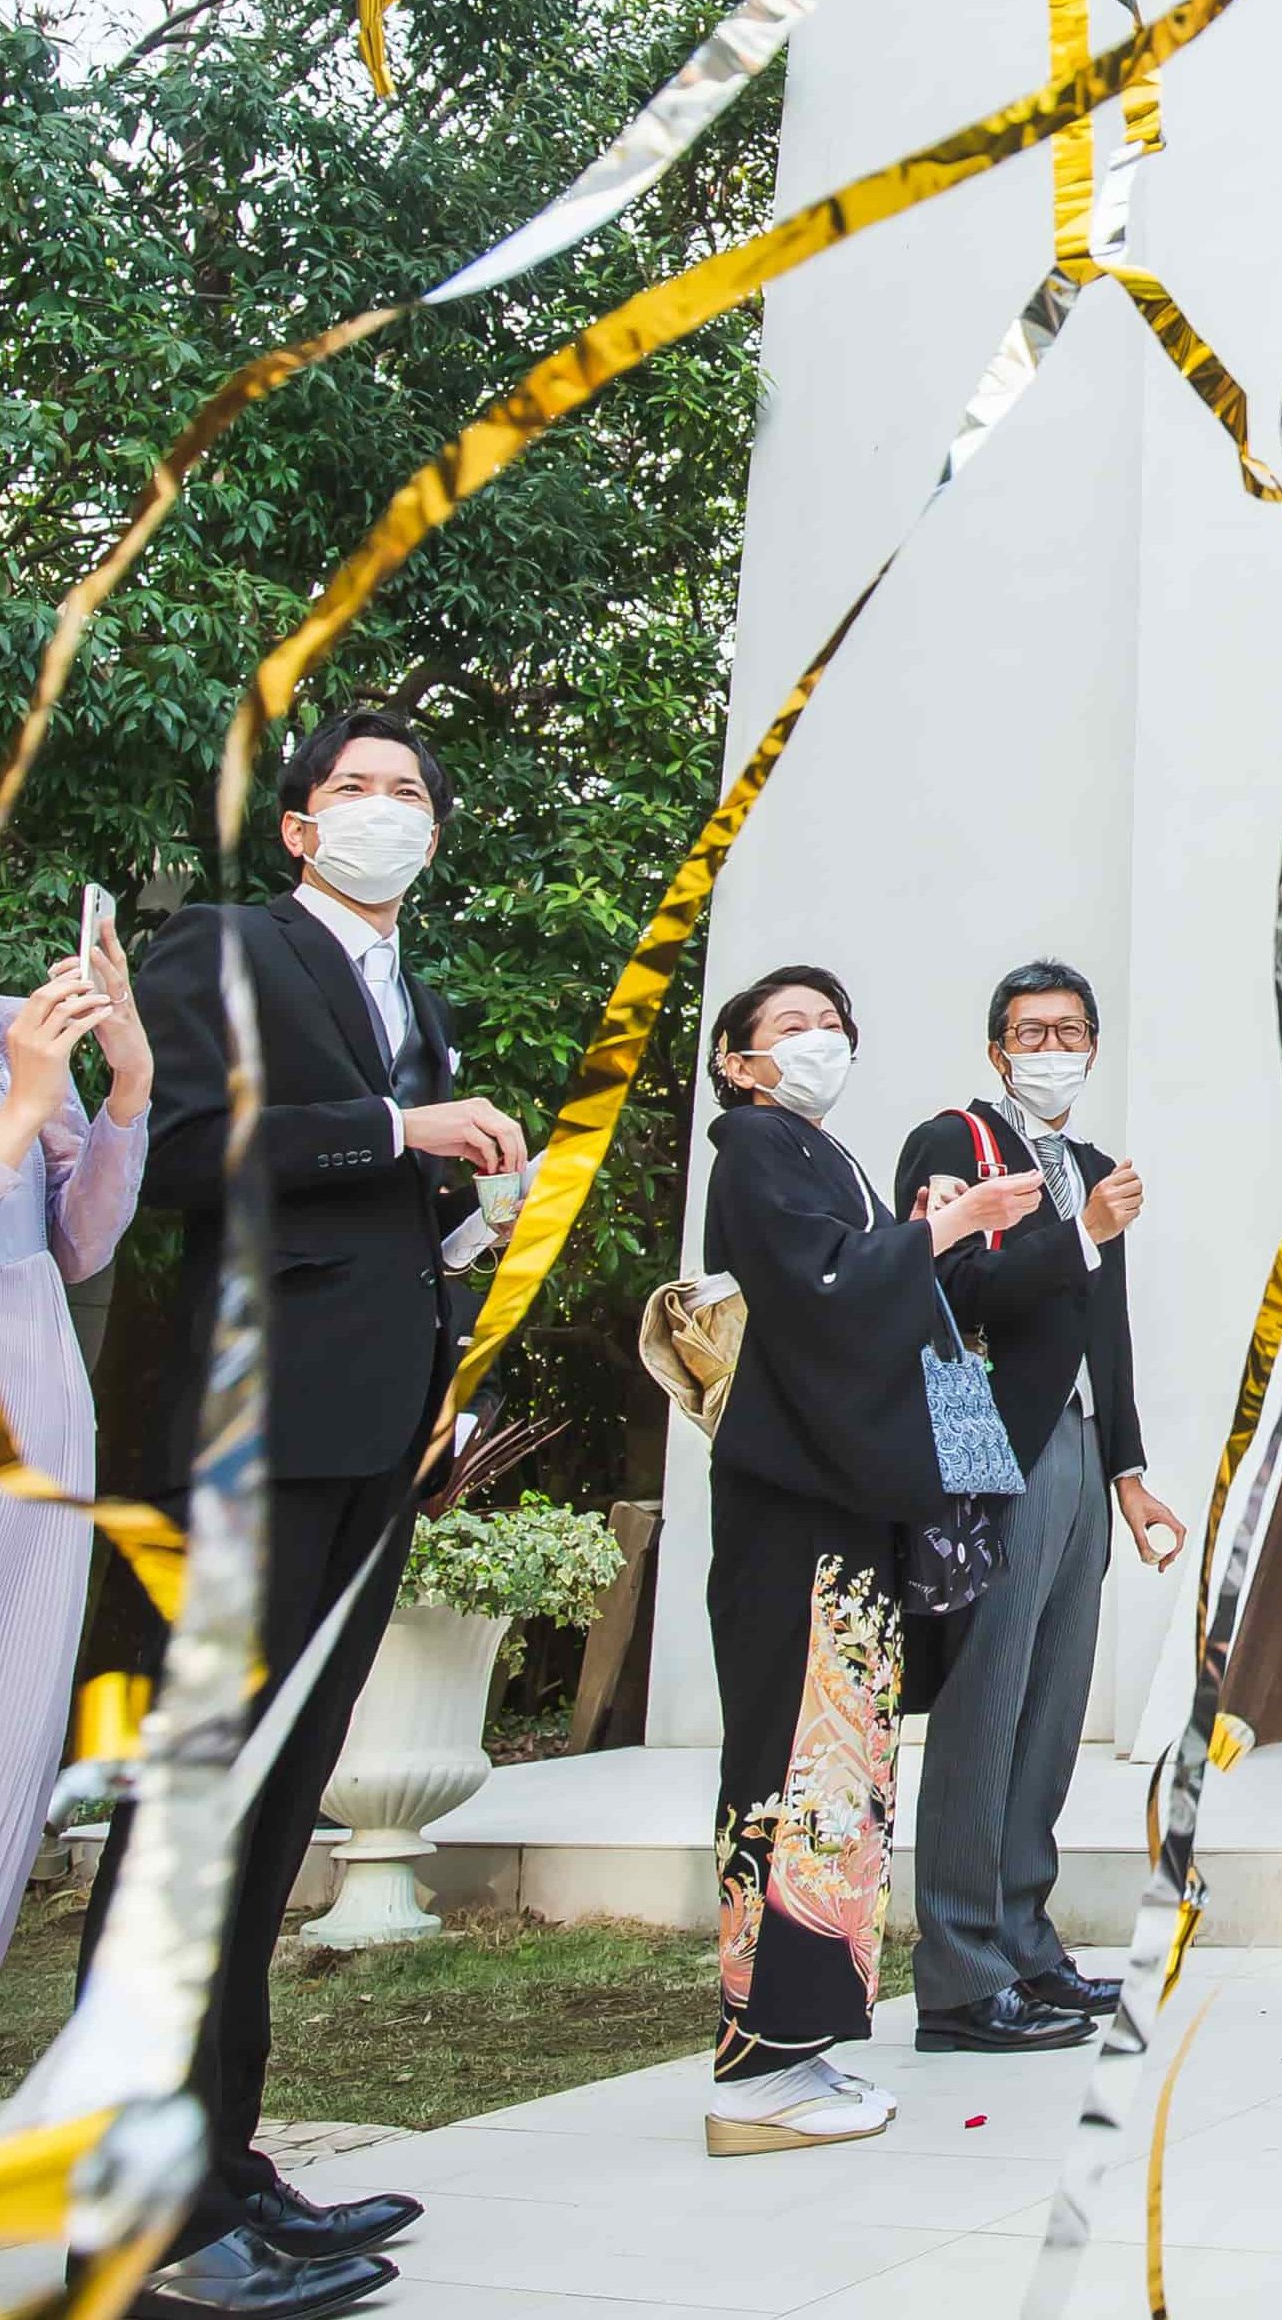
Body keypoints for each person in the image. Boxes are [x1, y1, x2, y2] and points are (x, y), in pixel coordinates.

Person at [85, 711, 529, 2320]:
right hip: (250, 1431)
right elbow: (179, 1151)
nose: (386, 809)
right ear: (298, 826)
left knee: (276, 1806)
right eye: (357, 787)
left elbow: (381, 1208)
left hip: (374, 1440)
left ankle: (222, 2160)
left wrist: (464, 1227)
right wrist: (397, 1131)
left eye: (412, 791)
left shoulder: (418, 996)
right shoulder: (229, 945)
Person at [699, 968, 1041, 2157]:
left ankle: (793, 2048)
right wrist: (942, 1228)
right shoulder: (754, 1147)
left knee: (836, 1779)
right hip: (794, 1513)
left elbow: (862, 1288)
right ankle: (755, 2071)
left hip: (833, 1511)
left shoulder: (814, 1152)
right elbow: (825, 1292)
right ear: (738, 1060)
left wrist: (926, 1238)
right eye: (790, 1026)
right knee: (793, 1772)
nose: (819, 1041)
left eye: (832, 1025)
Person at [891, 960, 1184, 2056]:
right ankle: (960, 1975)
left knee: (1054, 1710)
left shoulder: (1096, 1168)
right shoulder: (954, 1144)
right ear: (996, 1049)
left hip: (1081, 1452)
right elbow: (945, 1286)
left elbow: (1107, 1330)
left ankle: (1024, 1942)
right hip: (993, 1454)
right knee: (986, 1704)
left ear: (1093, 1047)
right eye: (1030, 1032)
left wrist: (1130, 1471)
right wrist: (1083, 1233)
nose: (1050, 1050)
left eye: (1069, 1032)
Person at [0, 920, 149, 1963]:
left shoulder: (17, 1031)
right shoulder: (24, 1064)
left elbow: (81, 1241)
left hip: (35, 1376)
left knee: (18, 1698)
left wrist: (127, 1082)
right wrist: (24, 1102)